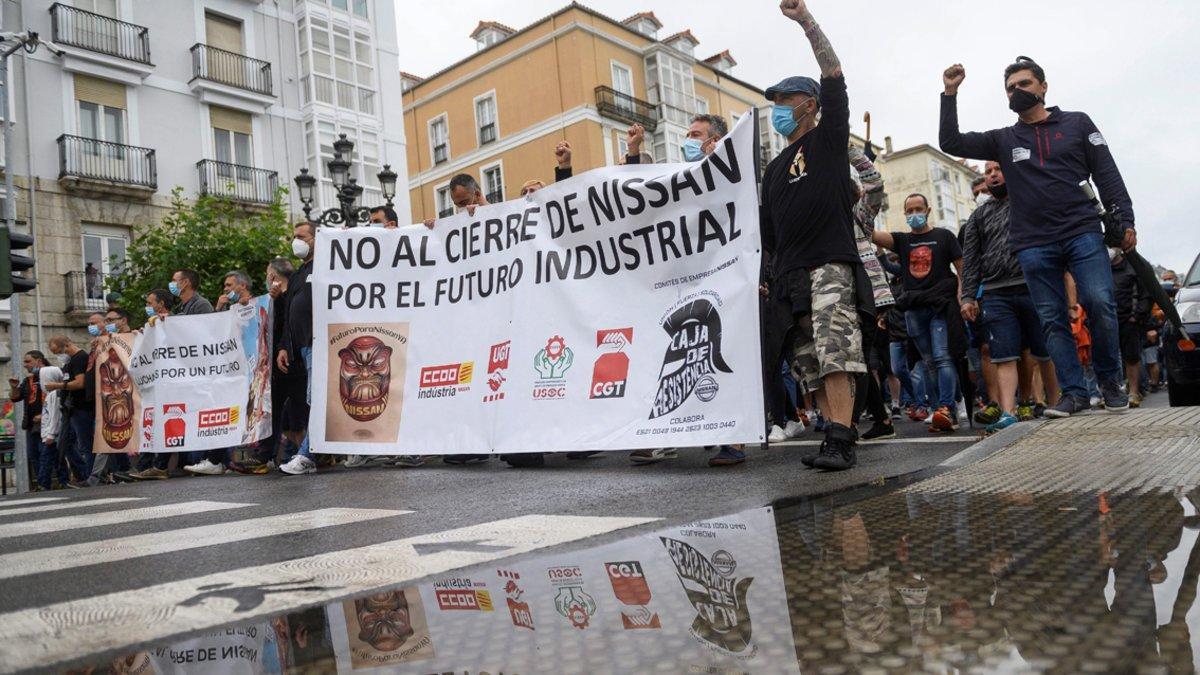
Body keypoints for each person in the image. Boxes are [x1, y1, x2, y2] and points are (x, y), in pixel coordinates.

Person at [940, 56, 1135, 417]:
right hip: (1032, 242)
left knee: (1099, 302)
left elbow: (1107, 174)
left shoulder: (1077, 124)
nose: (1018, 91)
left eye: (1025, 83)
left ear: (1043, 87)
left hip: (1082, 231)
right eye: (1011, 87)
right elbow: (950, 140)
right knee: (1051, 319)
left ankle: (1110, 382)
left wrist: (1125, 220)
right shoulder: (1003, 139)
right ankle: (1074, 393)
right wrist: (949, 93)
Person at [761, 0, 864, 471]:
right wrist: (769, 273)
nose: (778, 110)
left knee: (834, 350)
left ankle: (843, 437)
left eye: (785, 101)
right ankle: (829, 434)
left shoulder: (826, 139)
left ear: (809, 105)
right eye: (775, 103)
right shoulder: (775, 167)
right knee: (806, 361)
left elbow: (834, 71)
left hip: (828, 262)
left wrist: (806, 21)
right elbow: (769, 228)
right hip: (789, 274)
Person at [960, 161, 1059, 433]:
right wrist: (968, 296)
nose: (992, 175)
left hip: (1033, 288)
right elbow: (970, 260)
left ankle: (1058, 404)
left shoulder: (1031, 203)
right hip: (995, 294)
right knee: (1003, 355)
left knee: (1044, 351)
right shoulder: (978, 217)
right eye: (988, 172)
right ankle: (1008, 412)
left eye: (997, 169)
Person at [872, 195, 964, 433]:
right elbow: (870, 232)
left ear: (928, 210)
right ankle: (938, 411)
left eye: (918, 209)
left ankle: (947, 408)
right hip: (913, 310)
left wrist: (965, 299)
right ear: (904, 214)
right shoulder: (902, 240)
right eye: (909, 210)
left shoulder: (944, 236)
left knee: (943, 357)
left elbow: (962, 270)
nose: (914, 214)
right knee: (929, 362)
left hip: (940, 306)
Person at [129, 270, 214, 480]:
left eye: (175, 280)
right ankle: (163, 466)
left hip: (195, 372)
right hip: (181, 373)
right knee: (173, 415)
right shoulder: (181, 307)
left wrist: (168, 324)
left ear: (185, 283)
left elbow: (202, 334)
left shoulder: (201, 305)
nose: (172, 284)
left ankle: (197, 461)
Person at [232, 258, 301, 475]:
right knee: (275, 409)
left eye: (267, 273)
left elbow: (287, 325)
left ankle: (269, 455)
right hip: (277, 361)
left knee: (295, 410)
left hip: (289, 359)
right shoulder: (276, 298)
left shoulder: (291, 295)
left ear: (272, 276)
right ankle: (264, 455)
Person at [184, 271, 253, 476]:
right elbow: (212, 335)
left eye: (229, 285)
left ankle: (242, 460)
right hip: (230, 370)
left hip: (249, 368)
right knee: (228, 415)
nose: (225, 289)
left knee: (247, 417)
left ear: (242, 286)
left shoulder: (255, 306)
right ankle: (218, 460)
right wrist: (219, 308)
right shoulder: (228, 309)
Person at [278, 223, 319, 476]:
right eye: (294, 237)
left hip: (319, 342)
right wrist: (284, 346)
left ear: (315, 239)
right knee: (312, 399)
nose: (296, 242)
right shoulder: (296, 275)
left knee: (316, 399)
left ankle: (307, 454)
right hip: (301, 347)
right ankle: (313, 452)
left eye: (301, 237)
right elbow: (288, 314)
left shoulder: (326, 264)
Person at [43, 336, 94, 484]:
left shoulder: (79, 358)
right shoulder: (69, 361)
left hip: (81, 408)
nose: (57, 355)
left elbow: (79, 383)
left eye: (58, 351)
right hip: (71, 409)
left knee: (85, 444)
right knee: (65, 444)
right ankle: (83, 474)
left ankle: (90, 476)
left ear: (66, 345)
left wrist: (56, 386)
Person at [9, 351, 62, 491]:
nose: (25, 365)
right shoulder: (28, 380)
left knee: (48, 453)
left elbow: (57, 397)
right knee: (34, 455)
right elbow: (15, 398)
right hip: (31, 424)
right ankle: (42, 483)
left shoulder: (50, 375)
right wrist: (14, 387)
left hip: (48, 422)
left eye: (28, 361)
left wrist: (44, 416)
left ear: (38, 361)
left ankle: (53, 482)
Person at [1110, 247, 1152, 407]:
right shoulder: (1100, 270)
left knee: (1131, 356)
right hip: (1107, 320)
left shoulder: (1134, 268)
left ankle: (1134, 392)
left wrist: (1137, 316)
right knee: (1108, 356)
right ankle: (1110, 392)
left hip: (1129, 320)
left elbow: (1147, 294)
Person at [38, 365, 71, 488]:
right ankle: (64, 481)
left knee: (46, 460)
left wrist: (51, 434)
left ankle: (43, 484)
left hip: (52, 436)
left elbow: (56, 416)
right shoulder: (50, 394)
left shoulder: (55, 394)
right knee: (58, 460)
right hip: (50, 435)